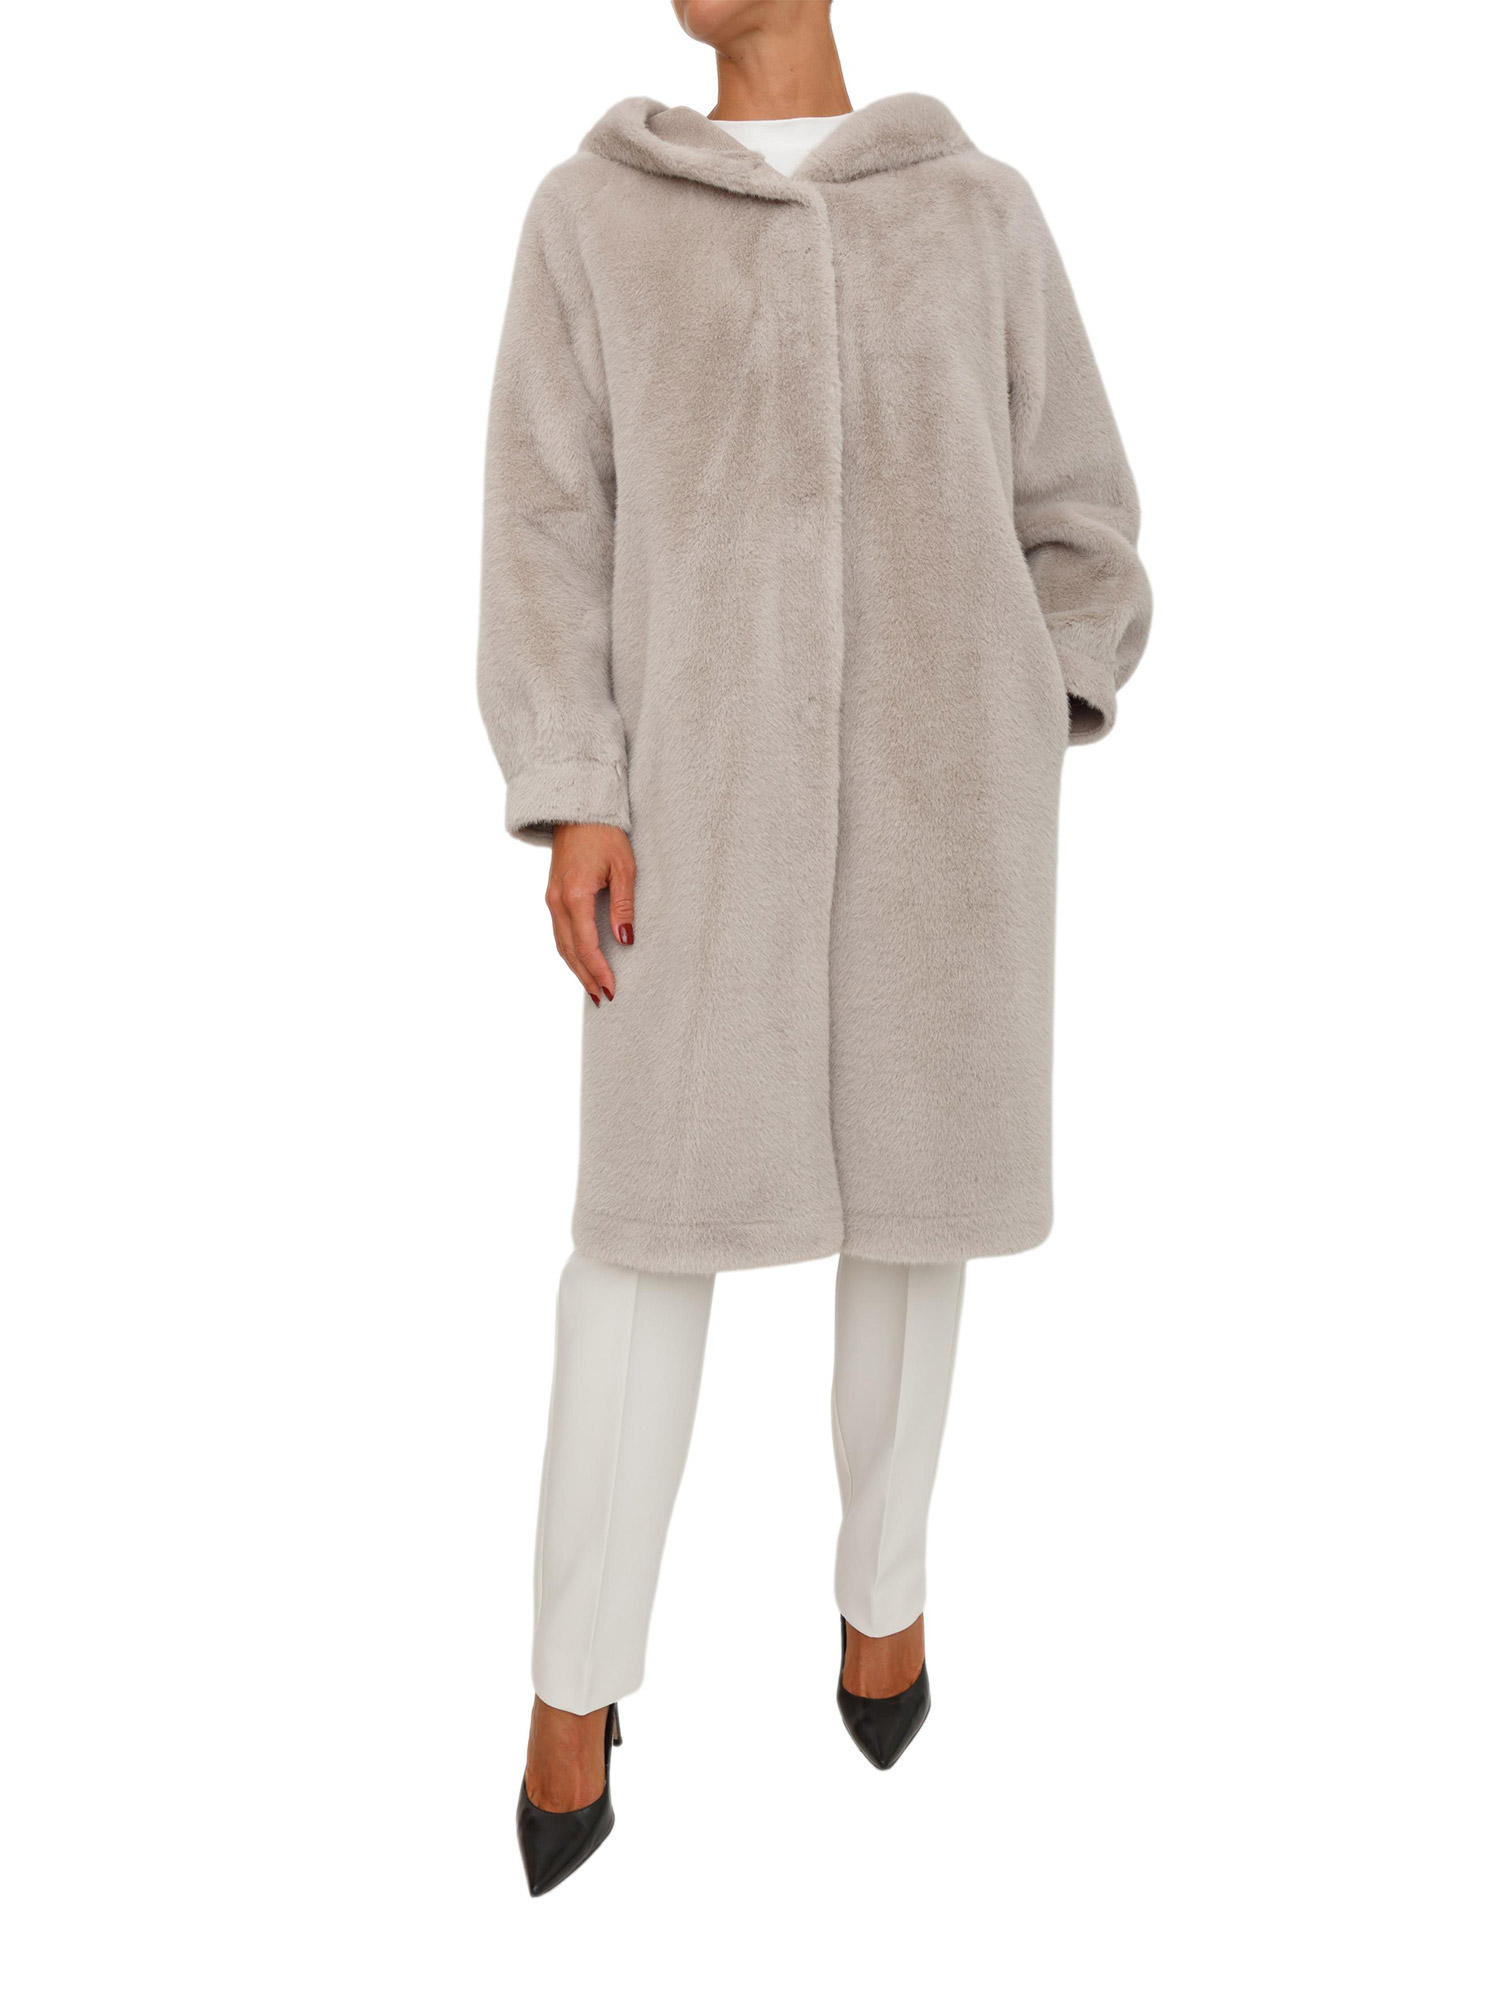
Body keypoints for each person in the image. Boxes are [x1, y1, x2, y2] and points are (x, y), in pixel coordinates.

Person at [478, 0, 1151, 1895]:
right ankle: (571, 1686)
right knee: (641, 1240)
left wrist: (1030, 708)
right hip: (696, 809)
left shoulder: (977, 211)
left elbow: (1083, 520)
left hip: (946, 815)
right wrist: (575, 781)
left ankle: (887, 1599)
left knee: (921, 1217)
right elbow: (545, 521)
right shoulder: (596, 214)